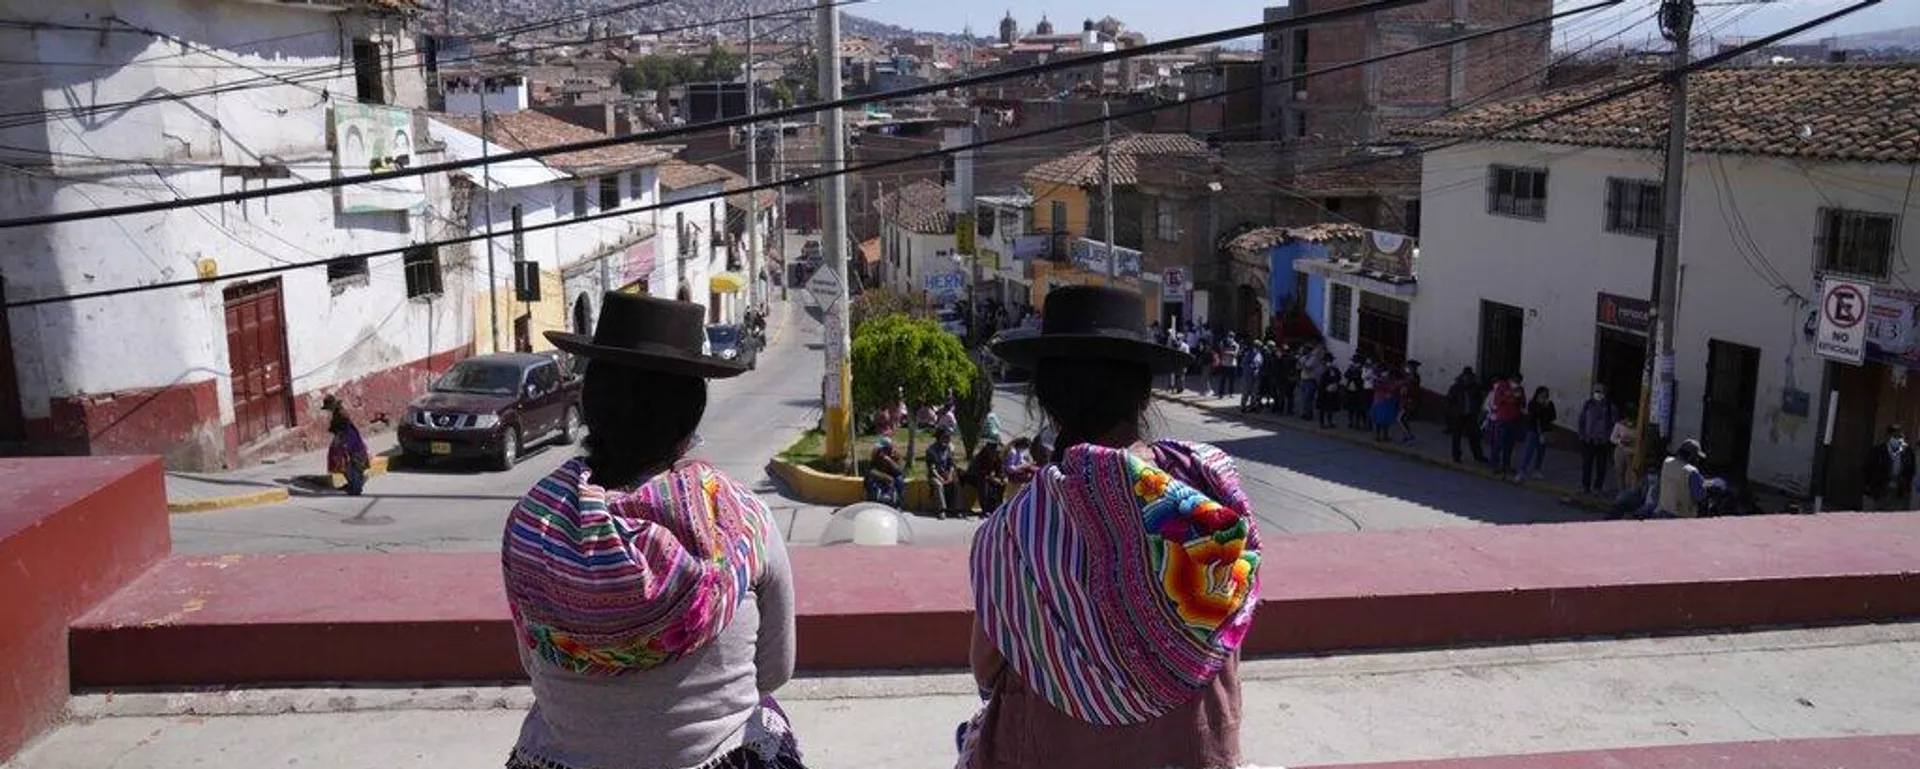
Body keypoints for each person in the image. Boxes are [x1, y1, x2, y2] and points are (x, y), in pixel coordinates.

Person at [964, 285, 1260, 769]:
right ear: (1143, 394)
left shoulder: (1014, 532)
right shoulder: (1213, 496)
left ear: (1047, 402)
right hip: (1195, 752)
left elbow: (986, 668)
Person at [504, 292, 804, 769]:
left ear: (591, 404)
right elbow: (773, 670)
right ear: (689, 417)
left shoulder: (532, 525)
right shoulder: (743, 519)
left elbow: (532, 663)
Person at [323, 395, 371, 497]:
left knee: (352, 464)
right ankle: (353, 483)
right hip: (347, 440)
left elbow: (344, 426)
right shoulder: (337, 413)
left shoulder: (341, 414)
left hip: (350, 441)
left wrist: (342, 440)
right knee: (342, 463)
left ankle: (356, 487)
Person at [1577, 385, 1618, 496]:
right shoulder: (1588, 404)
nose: (1598, 394)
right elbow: (1582, 421)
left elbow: (1614, 424)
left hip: (1603, 441)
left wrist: (1608, 437)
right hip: (1588, 440)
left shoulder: (1610, 407)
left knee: (1601, 466)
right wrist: (1582, 436)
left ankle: (1598, 487)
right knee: (1587, 465)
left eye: (1601, 391)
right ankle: (1585, 486)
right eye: (1596, 391)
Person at [1865, 426, 1917, 511]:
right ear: (1888, 436)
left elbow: (1911, 470)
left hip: (1899, 491)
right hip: (1881, 490)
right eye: (1895, 436)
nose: (1898, 439)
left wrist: (1904, 481)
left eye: (1900, 436)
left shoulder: (1908, 452)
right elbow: (1870, 469)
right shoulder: (1878, 451)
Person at [1657, 439, 1712, 518]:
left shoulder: (1667, 462)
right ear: (1690, 456)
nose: (1697, 460)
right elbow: (1700, 497)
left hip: (1664, 512)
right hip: (1681, 516)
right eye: (1696, 457)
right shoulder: (1691, 472)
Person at [1444, 369, 1487, 464]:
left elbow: (1479, 400)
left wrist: (1477, 410)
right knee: (1456, 437)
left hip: (1470, 415)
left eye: (1470, 377)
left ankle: (1478, 456)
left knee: (1474, 437)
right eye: (1466, 376)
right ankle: (1456, 456)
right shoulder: (1455, 388)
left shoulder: (1474, 388)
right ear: (1463, 376)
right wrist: (1453, 412)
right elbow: (1449, 401)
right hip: (1458, 415)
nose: (1468, 378)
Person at [1515, 386, 1556, 482]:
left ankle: (1537, 470)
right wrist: (1541, 407)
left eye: (1546, 395)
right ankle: (1522, 470)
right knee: (1528, 450)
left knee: (1541, 452)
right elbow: (1533, 414)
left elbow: (1553, 416)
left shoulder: (1550, 404)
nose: (1544, 397)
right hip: (1533, 430)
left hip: (1544, 431)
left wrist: (1547, 408)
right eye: (1542, 395)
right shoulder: (1533, 403)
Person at [926, 427, 962, 518]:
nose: (948, 439)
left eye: (948, 437)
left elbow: (951, 464)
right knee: (938, 484)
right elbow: (932, 469)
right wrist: (940, 478)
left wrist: (950, 476)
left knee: (956, 482)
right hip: (935, 475)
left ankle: (956, 509)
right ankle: (941, 510)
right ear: (939, 438)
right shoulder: (931, 450)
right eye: (945, 437)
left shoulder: (948, 449)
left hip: (946, 473)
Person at [970, 439, 1008, 516]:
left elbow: (1000, 470)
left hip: (991, 477)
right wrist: (991, 478)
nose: (995, 452)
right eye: (993, 450)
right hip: (977, 477)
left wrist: (1003, 478)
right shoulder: (980, 457)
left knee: (1002, 484)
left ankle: (996, 507)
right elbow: (978, 471)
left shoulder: (997, 457)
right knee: (985, 486)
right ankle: (985, 509)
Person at [867, 437, 906, 506]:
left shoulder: (896, 455)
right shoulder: (877, 455)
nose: (882, 450)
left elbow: (899, 471)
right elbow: (871, 470)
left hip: (893, 476)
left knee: (899, 479)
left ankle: (899, 502)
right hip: (881, 476)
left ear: (889, 448)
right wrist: (885, 477)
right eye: (881, 448)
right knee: (869, 480)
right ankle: (872, 500)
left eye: (884, 448)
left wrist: (889, 460)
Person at [1370, 364, 1399, 443]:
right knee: (1380, 419)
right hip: (1380, 400)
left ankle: (1384, 436)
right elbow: (1376, 386)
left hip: (1385, 401)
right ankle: (1378, 436)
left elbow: (1393, 387)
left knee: (1385, 419)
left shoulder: (1387, 379)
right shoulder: (1378, 379)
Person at [1611, 412, 1638, 493]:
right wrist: (1620, 441)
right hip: (1621, 449)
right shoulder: (1619, 425)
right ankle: (1621, 491)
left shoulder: (1638, 425)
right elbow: (1612, 438)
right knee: (1620, 471)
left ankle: (1630, 491)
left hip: (1632, 451)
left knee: (1630, 473)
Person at [1396, 361, 1422, 443]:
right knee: (1405, 419)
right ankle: (1406, 436)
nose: (1407, 368)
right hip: (1406, 400)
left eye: (1409, 367)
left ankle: (1408, 436)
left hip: (1408, 400)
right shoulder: (1410, 377)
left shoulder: (1413, 377)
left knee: (1400, 419)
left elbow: (1411, 388)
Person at [1317, 354, 1341, 428]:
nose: (1330, 362)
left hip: (1332, 390)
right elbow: (1320, 378)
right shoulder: (1322, 368)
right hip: (1323, 390)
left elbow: (1338, 377)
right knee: (1323, 407)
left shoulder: (1334, 369)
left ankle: (1330, 421)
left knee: (1331, 407)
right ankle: (1322, 423)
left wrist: (1334, 383)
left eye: (1331, 360)